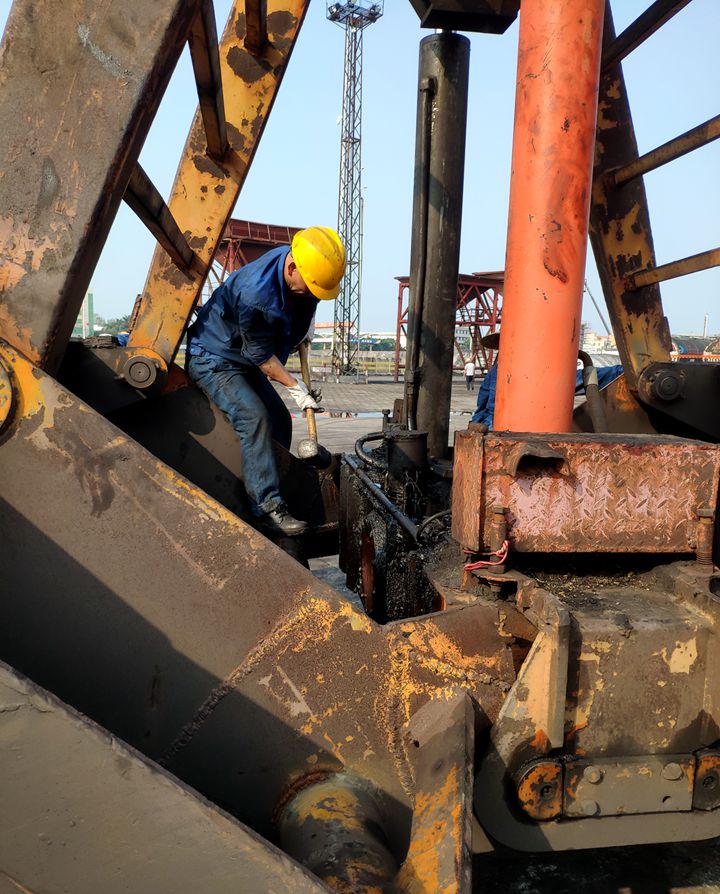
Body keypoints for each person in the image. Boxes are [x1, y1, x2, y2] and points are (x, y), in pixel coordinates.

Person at [186, 226, 346, 536]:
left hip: (241, 358)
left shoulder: (303, 273)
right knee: (254, 418)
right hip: (213, 358)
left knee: (280, 420)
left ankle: (279, 484)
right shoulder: (255, 294)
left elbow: (297, 315)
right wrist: (296, 388)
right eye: (312, 289)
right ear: (292, 268)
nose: (314, 295)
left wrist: (301, 333)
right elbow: (260, 357)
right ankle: (266, 507)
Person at [471, 332, 623, 429]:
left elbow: (482, 403)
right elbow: (584, 379)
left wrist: (478, 423)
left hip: (494, 425)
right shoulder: (542, 372)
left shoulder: (496, 370)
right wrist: (623, 371)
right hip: (530, 429)